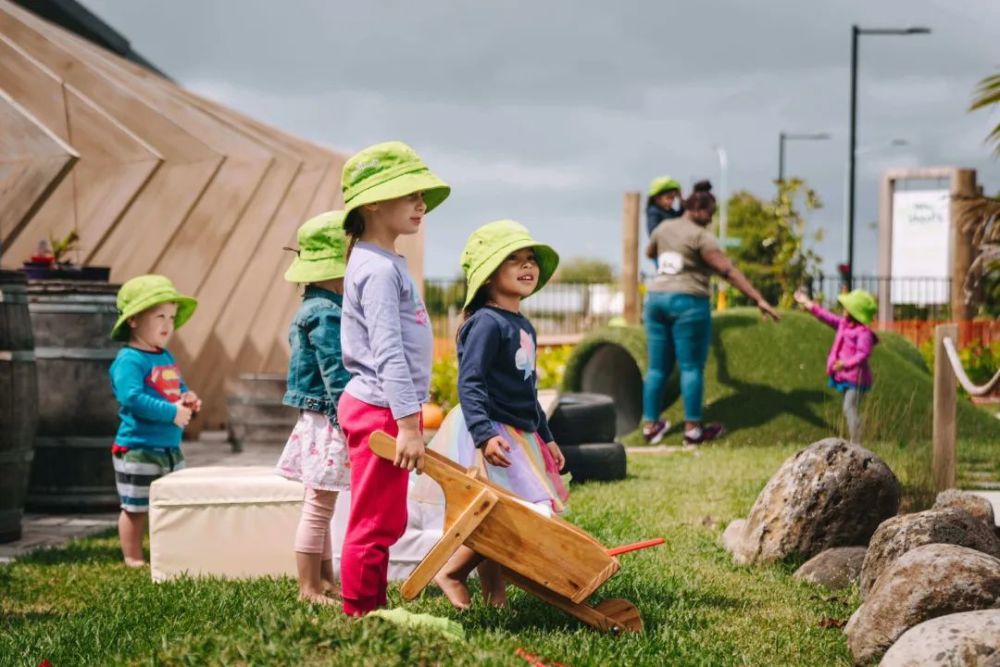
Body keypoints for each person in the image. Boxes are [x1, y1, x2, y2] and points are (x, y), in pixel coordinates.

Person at [427, 220, 568, 610]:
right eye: (513, 260)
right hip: (492, 431)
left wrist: (548, 437)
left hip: (521, 434)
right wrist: (484, 434)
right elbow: (470, 383)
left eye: (530, 260)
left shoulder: (522, 324)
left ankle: (495, 595)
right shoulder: (487, 323)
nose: (527, 266)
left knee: (498, 513)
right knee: (509, 512)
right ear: (489, 276)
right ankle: (452, 572)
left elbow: (528, 391)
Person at [337, 140, 449, 617]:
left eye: (423, 196)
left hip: (384, 407)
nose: (421, 205)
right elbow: (388, 352)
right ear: (374, 202)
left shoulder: (382, 262)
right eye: (411, 195)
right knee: (374, 521)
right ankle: (360, 613)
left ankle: (371, 605)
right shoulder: (378, 270)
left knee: (386, 517)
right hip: (381, 409)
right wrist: (407, 424)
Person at [642, 180, 780, 445]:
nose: (712, 219)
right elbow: (727, 270)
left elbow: (652, 252)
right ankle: (693, 430)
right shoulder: (701, 236)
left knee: (657, 369)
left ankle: (650, 426)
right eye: (711, 213)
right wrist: (758, 299)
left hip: (656, 299)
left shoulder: (662, 228)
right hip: (689, 302)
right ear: (700, 210)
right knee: (691, 367)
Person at [276, 211, 352, 604]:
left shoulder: (313, 305)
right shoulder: (326, 313)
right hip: (329, 418)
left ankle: (324, 581)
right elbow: (334, 372)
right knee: (319, 506)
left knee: (321, 503)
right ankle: (308, 587)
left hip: (316, 417)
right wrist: (350, 419)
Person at [108, 275, 199, 567]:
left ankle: (169, 551)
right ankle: (132, 556)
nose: (167, 324)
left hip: (169, 447)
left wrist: (187, 398)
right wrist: (172, 412)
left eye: (171, 317)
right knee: (135, 507)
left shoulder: (164, 355)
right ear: (133, 320)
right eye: (159, 315)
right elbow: (131, 398)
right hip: (138, 447)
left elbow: (175, 386)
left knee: (171, 503)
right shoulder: (129, 360)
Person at [794, 288, 878, 443]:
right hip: (844, 376)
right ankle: (854, 438)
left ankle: (856, 440)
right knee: (848, 407)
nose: (843, 310)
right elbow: (827, 317)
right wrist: (808, 303)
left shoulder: (863, 333)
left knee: (849, 406)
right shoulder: (843, 325)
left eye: (847, 308)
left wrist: (845, 364)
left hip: (856, 378)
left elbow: (863, 354)